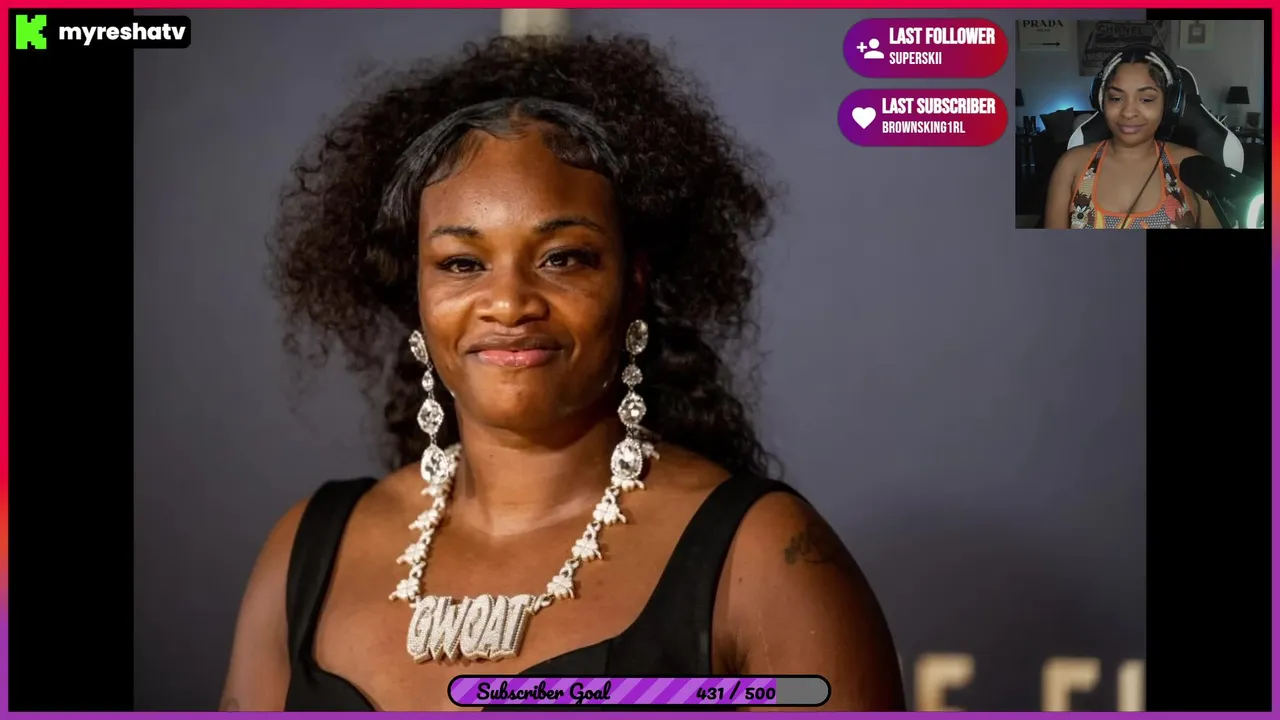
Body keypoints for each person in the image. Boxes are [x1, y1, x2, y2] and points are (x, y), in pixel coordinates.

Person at [221, 35, 905, 712]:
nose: (509, 303)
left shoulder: (759, 559)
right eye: (461, 263)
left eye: (563, 258)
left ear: (633, 284)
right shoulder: (305, 552)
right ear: (416, 296)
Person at [1044, 45, 1219, 229]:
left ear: (1169, 105)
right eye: (1116, 98)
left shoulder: (1194, 168)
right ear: (1102, 101)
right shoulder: (1071, 166)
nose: (1128, 113)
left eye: (1146, 99)